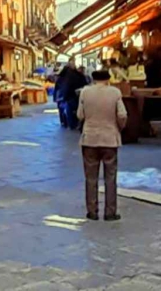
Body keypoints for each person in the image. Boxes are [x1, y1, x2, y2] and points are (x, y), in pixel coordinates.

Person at [78, 68, 128, 221]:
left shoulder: (85, 92)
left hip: (90, 139)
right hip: (109, 139)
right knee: (110, 177)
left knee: (91, 177)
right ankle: (110, 212)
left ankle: (92, 211)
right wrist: (119, 127)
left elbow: (80, 115)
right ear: (108, 79)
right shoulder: (115, 93)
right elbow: (122, 114)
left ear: (93, 79)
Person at [55, 61, 88, 130]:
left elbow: (59, 86)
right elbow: (84, 84)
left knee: (64, 109)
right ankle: (73, 123)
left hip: (64, 95)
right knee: (72, 109)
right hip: (74, 95)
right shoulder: (77, 75)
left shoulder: (63, 75)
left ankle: (65, 122)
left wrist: (57, 96)